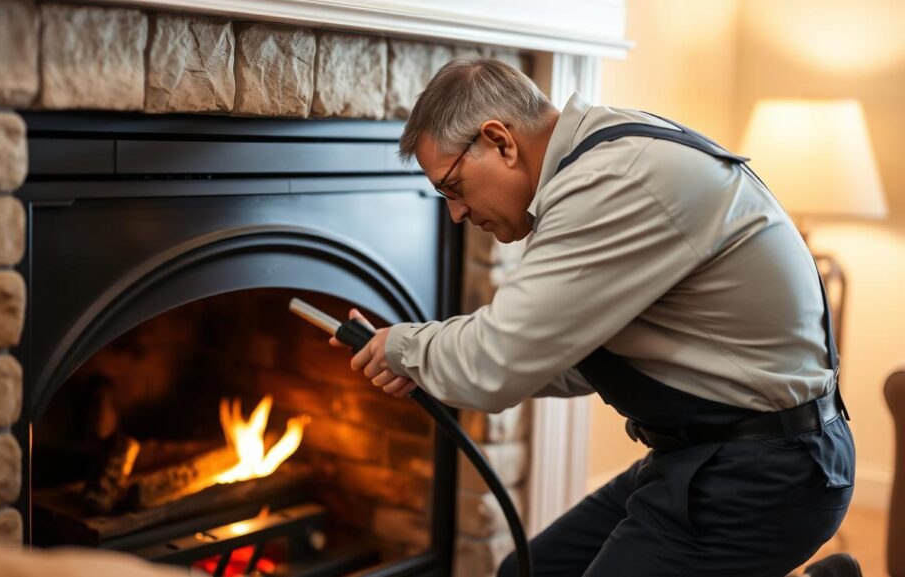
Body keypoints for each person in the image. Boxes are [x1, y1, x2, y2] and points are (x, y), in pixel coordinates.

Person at [331, 58, 857, 576]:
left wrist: (405, 346)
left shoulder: (612, 179)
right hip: (706, 455)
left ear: (499, 141)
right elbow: (570, 360)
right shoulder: (597, 158)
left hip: (769, 471)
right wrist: (428, 365)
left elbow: (495, 362)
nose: (456, 212)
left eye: (453, 187)